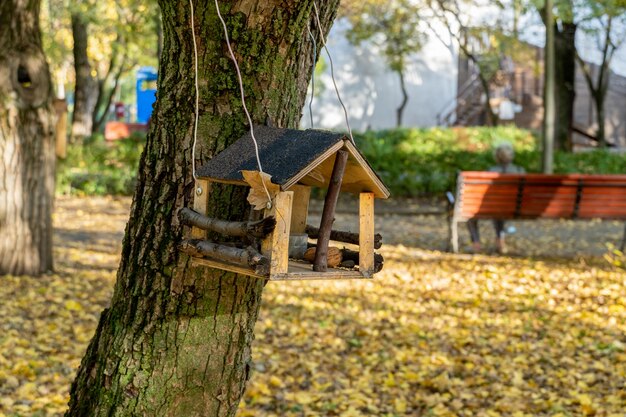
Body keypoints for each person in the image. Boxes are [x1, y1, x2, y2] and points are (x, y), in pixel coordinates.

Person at [468, 142, 525, 254]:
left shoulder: (490, 171)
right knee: (499, 210)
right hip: (515, 208)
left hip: (494, 207)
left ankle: (476, 243)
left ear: (496, 157)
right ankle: (500, 241)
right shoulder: (519, 171)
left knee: (476, 214)